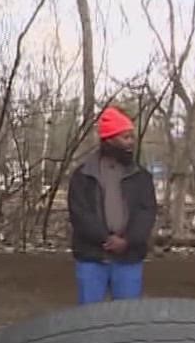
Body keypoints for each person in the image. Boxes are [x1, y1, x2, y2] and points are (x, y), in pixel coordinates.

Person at [67, 106, 157, 304]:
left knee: (126, 319)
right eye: (125, 137)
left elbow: (147, 212)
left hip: (129, 258)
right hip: (92, 257)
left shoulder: (141, 177)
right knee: (89, 319)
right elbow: (80, 214)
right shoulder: (83, 175)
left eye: (132, 137)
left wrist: (128, 240)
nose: (131, 142)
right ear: (109, 140)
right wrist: (105, 239)